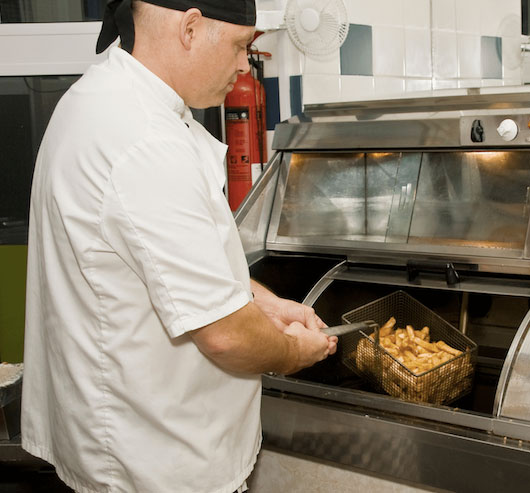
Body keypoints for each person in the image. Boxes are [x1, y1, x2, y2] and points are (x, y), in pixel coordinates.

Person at [21, 1, 337, 492]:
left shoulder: (98, 97)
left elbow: (176, 264)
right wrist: (294, 353)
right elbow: (227, 336)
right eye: (238, 45)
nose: (241, 65)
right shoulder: (145, 141)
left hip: (121, 442)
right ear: (190, 27)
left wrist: (267, 303)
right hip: (153, 464)